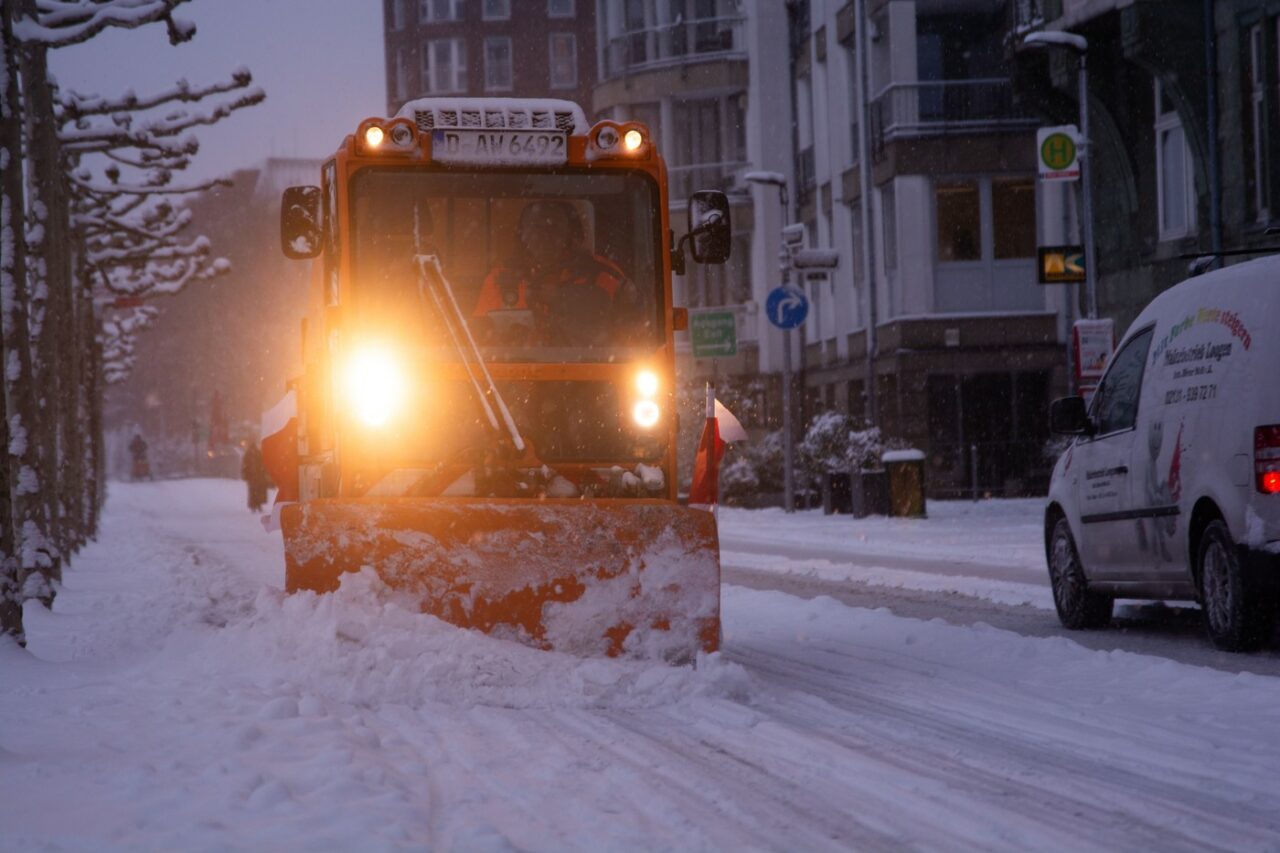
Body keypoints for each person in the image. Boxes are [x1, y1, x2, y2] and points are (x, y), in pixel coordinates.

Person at [472, 200, 639, 347]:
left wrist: (565, 300)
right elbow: (481, 339)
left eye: (553, 228)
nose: (543, 236)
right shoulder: (501, 279)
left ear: (571, 235)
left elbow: (633, 339)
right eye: (535, 228)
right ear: (522, 235)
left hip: (592, 375)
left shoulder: (603, 276)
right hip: (513, 377)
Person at [240, 440, 272, 513]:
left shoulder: (248, 454)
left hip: (252, 477)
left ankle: (253, 505)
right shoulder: (258, 453)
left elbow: (245, 466)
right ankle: (258, 505)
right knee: (258, 491)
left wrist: (245, 475)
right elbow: (263, 464)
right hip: (258, 476)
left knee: (252, 491)